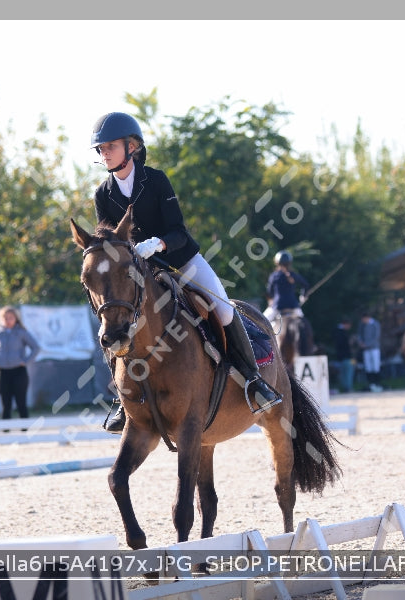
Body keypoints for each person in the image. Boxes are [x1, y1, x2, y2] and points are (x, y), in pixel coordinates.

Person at [90, 111, 282, 433]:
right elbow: (107, 240)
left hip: (181, 259)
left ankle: (253, 381)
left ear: (132, 146)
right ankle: (123, 401)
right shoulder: (102, 194)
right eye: (101, 148)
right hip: (139, 274)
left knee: (222, 308)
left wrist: (157, 244)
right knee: (115, 322)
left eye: (110, 146)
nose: (104, 152)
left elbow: (179, 231)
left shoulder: (157, 180)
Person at [0, 306, 41, 421]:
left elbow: (35, 347)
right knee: (6, 403)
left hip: (19, 371)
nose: (8, 320)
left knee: (21, 402)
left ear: (16, 318)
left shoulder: (21, 332)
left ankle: (24, 429)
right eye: (6, 318)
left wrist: (26, 360)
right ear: (2, 319)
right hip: (4, 372)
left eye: (11, 318)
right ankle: (5, 431)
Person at [265, 250, 315, 354]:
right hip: (293, 306)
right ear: (289, 263)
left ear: (277, 263)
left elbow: (269, 291)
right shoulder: (293, 275)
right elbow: (305, 285)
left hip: (278, 306)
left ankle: (263, 346)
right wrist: (303, 296)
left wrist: (271, 301)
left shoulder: (274, 276)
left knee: (261, 323)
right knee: (303, 323)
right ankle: (312, 345)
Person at [357, 311, 382, 392]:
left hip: (374, 348)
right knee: (368, 366)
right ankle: (371, 384)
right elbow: (359, 334)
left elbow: (376, 336)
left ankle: (377, 383)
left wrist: (367, 344)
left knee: (375, 366)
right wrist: (360, 342)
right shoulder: (362, 325)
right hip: (366, 349)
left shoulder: (375, 324)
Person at [334, 316, 355, 393]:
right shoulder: (341, 332)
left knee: (344, 373)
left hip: (341, 357)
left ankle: (346, 387)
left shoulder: (337, 331)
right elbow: (345, 345)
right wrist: (351, 342)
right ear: (346, 324)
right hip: (347, 356)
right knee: (349, 372)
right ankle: (348, 387)